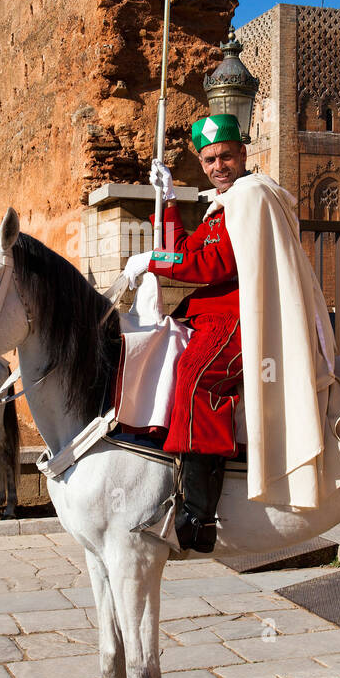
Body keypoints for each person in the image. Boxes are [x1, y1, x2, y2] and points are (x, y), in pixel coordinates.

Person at [122, 113, 246, 554]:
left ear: (242, 154)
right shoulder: (217, 210)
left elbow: (215, 266)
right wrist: (169, 200)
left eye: (226, 156)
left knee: (197, 375)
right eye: (210, 159)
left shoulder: (248, 200)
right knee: (156, 351)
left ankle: (199, 515)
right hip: (206, 318)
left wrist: (151, 261)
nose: (219, 166)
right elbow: (183, 251)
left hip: (238, 320)